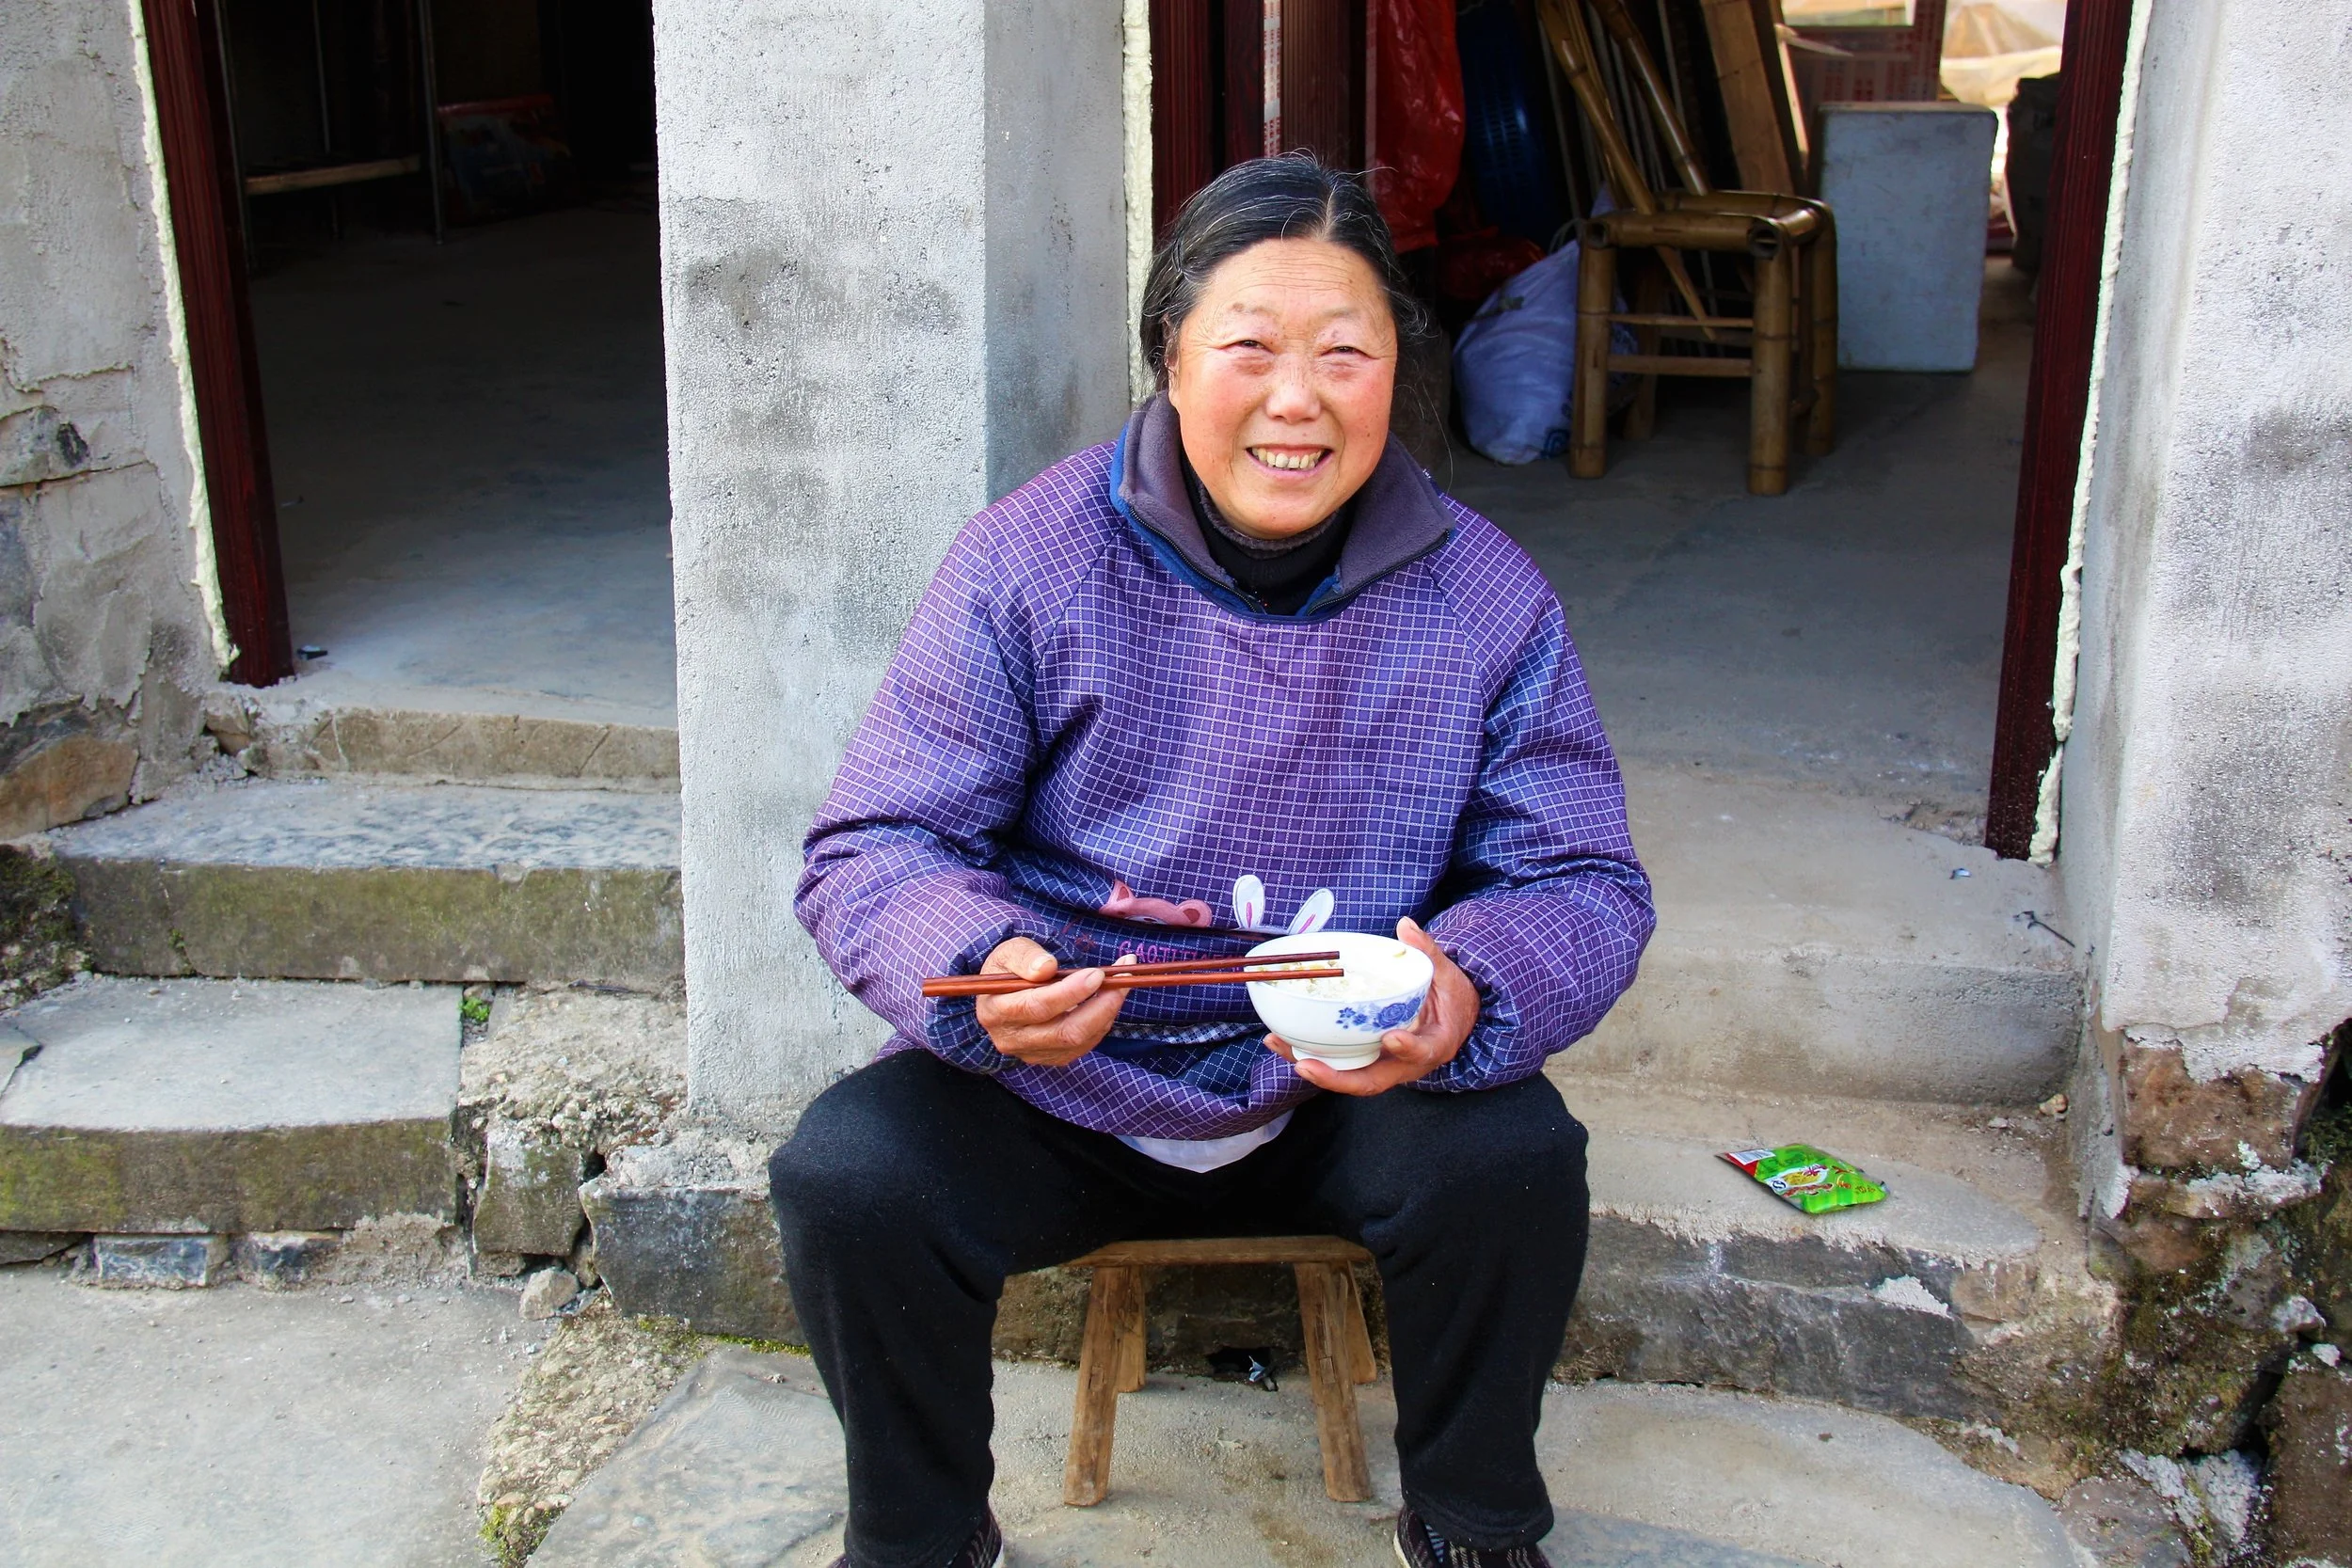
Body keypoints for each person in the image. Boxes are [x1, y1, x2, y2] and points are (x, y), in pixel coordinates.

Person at [771, 153, 1654, 1568]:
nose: (1296, 399)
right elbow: (880, 838)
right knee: (852, 1177)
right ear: (1169, 358)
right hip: (1073, 1076)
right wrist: (990, 968)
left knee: (1516, 1155)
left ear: (1394, 375)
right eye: (1249, 348)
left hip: (1347, 1083)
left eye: (1345, 354)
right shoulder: (1029, 562)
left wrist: (1473, 988)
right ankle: (920, 1541)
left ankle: (1480, 1526)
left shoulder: (1486, 596)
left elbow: (1583, 880)